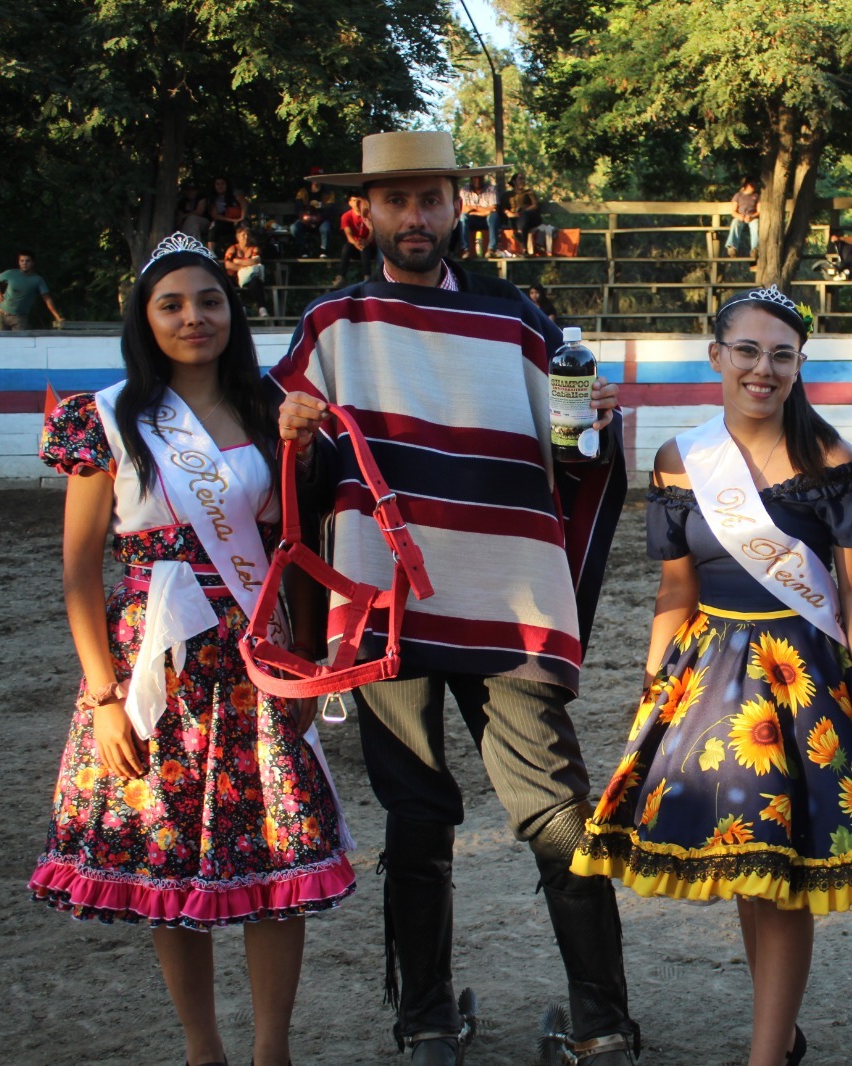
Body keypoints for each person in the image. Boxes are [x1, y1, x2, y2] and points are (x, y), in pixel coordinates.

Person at [271, 131, 639, 1066]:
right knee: (415, 810)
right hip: (384, 604)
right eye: (397, 201)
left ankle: (602, 1023)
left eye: (431, 198)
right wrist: (297, 434)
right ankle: (428, 1021)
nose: (415, 217)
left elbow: (573, 457)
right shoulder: (333, 324)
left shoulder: (517, 319)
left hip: (505, 598)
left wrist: (595, 431)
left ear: (456, 206)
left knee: (555, 807)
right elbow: (291, 474)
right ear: (367, 212)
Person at [571, 286, 852, 1066]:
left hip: (805, 683)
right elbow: (675, 589)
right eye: (746, 351)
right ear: (717, 356)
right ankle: (781, 1039)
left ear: (799, 365)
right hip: (711, 680)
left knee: (785, 873)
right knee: (750, 863)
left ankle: (766, 1053)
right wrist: (652, 690)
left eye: (781, 355)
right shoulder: (679, 460)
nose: (762, 369)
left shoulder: (832, 460)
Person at [29, 231, 355, 1066]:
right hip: (155, 666)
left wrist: (309, 663)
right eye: (171, 304)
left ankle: (272, 1050)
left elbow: (297, 548)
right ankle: (202, 1049)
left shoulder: (275, 412)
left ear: (232, 312)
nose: (193, 318)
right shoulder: (107, 419)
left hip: (256, 660)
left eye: (210, 301)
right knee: (169, 854)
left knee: (276, 854)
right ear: (144, 318)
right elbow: (78, 570)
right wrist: (104, 697)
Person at [0, 249, 64, 329]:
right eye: (22, 261)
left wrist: (57, 316)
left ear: (33, 263)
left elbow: (47, 299)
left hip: (19, 318)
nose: (24, 263)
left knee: (21, 337)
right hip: (1, 313)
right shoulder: (11, 273)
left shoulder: (37, 280)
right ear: (19, 262)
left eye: (27, 261)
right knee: (1, 337)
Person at [224, 223, 268, 317]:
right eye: (243, 235)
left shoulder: (254, 249)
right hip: (234, 277)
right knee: (227, 283)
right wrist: (245, 267)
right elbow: (228, 265)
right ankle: (240, 308)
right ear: (238, 237)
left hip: (249, 277)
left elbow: (255, 261)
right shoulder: (232, 249)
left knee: (256, 282)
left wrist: (237, 261)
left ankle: (262, 308)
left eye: (248, 235)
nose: (246, 237)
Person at [292, 174, 338, 257]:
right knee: (294, 228)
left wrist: (320, 217)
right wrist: (304, 216)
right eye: (314, 177)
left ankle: (324, 251)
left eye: (319, 177)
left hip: (321, 220)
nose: (316, 180)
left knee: (326, 229)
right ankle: (303, 250)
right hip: (306, 219)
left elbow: (330, 209)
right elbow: (298, 207)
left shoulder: (328, 192)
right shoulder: (303, 191)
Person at [333, 194, 374, 287]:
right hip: (354, 245)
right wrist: (356, 243)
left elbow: (372, 231)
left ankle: (367, 276)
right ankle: (341, 276)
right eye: (354, 201)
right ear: (350, 203)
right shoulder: (346, 216)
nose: (357, 204)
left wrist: (366, 242)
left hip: (369, 246)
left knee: (365, 248)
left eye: (359, 201)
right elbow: (349, 235)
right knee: (346, 247)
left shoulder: (368, 215)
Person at [503, 172, 544, 256]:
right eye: (520, 179)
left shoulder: (528, 192)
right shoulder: (508, 195)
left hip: (530, 217)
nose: (523, 181)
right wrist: (510, 213)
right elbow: (503, 208)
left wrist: (524, 211)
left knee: (524, 216)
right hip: (515, 218)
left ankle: (521, 238)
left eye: (524, 179)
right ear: (514, 181)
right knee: (518, 220)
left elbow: (535, 205)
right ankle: (524, 249)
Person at [460, 174, 497, 259]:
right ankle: (465, 250)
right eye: (475, 178)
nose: (477, 180)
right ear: (471, 179)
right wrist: (484, 211)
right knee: (463, 217)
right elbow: (464, 208)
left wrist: (473, 209)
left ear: (483, 178)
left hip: (486, 219)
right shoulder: (465, 190)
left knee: (494, 216)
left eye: (480, 178)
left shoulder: (491, 189)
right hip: (472, 220)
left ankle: (491, 250)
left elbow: (493, 208)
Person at [206, 177, 247, 253]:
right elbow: (215, 215)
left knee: (242, 227)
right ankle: (210, 252)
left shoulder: (235, 194)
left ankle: (243, 251)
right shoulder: (213, 198)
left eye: (223, 183)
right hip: (224, 220)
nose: (220, 186)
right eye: (217, 184)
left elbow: (244, 205)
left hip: (239, 218)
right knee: (214, 227)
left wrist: (242, 217)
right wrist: (232, 220)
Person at [726, 176, 761, 258]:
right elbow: (733, 211)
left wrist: (752, 217)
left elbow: (759, 211)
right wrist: (739, 216)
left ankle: (755, 249)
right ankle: (732, 247)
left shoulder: (757, 196)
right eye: (752, 184)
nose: (754, 186)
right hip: (740, 216)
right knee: (735, 223)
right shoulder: (738, 195)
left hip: (751, 217)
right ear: (747, 185)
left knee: (756, 225)